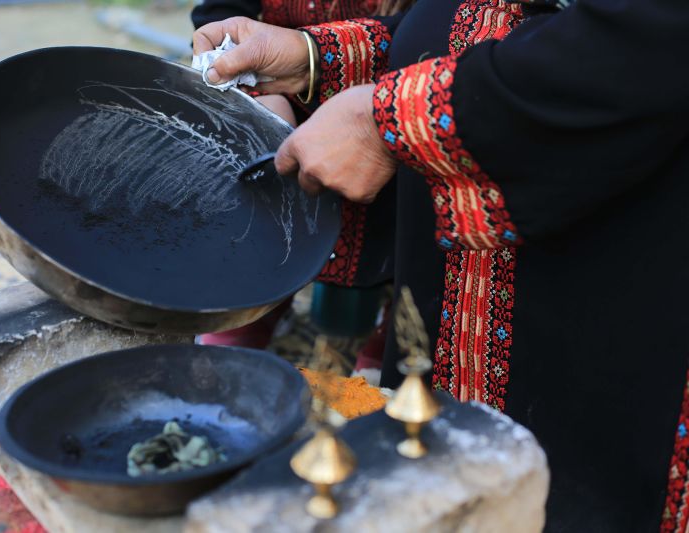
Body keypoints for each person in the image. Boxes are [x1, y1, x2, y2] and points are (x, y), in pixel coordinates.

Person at [192, 0, 689, 530]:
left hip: (611, 273)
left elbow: (644, 40)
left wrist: (390, 119)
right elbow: (499, 18)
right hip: (462, 292)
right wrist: (315, 56)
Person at [192, 0, 395, 373]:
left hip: (391, 94)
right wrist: (253, 95)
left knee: (391, 229)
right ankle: (257, 302)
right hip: (280, 88)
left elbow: (446, 28)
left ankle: (399, 326)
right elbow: (221, 9)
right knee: (263, 201)